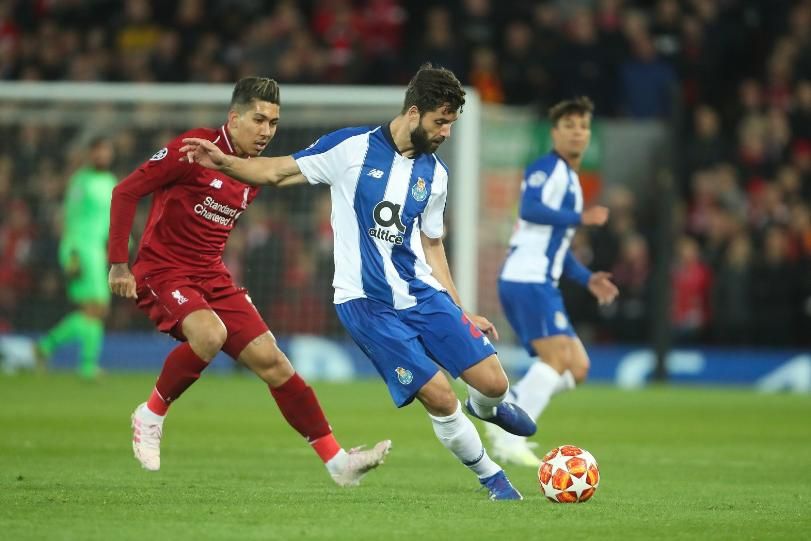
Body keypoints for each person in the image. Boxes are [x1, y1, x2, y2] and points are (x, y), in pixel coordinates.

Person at [180, 64, 537, 501]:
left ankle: (489, 409)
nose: (446, 132)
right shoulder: (351, 148)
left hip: (420, 293)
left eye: (451, 123)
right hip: (366, 305)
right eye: (440, 121)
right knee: (441, 396)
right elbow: (277, 172)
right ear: (413, 113)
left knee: (494, 383)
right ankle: (491, 476)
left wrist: (459, 309)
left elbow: (432, 246)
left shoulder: (435, 175)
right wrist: (225, 162)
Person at [107, 77, 390, 486]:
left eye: (273, 123)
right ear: (233, 117)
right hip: (163, 269)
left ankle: (338, 463)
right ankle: (150, 414)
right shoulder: (194, 148)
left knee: (274, 363)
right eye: (258, 120)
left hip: (211, 275)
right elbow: (125, 192)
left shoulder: (253, 173)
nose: (265, 131)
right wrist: (119, 264)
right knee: (209, 335)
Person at [493, 96, 619, 466]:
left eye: (583, 126)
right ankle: (507, 435)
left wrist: (586, 278)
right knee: (557, 359)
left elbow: (558, 247)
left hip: (540, 281)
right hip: (526, 278)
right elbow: (530, 208)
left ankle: (511, 401)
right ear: (555, 133)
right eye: (570, 126)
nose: (578, 132)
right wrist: (580, 217)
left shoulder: (571, 179)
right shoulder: (545, 169)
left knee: (577, 367)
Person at [35, 137, 117, 380]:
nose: (102, 156)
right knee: (95, 308)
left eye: (106, 151)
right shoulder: (80, 182)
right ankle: (83, 364)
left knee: (96, 309)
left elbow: (112, 220)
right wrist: (71, 253)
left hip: (98, 251)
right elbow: (68, 218)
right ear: (91, 154)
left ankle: (46, 348)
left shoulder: (111, 181)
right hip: (80, 249)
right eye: (98, 152)